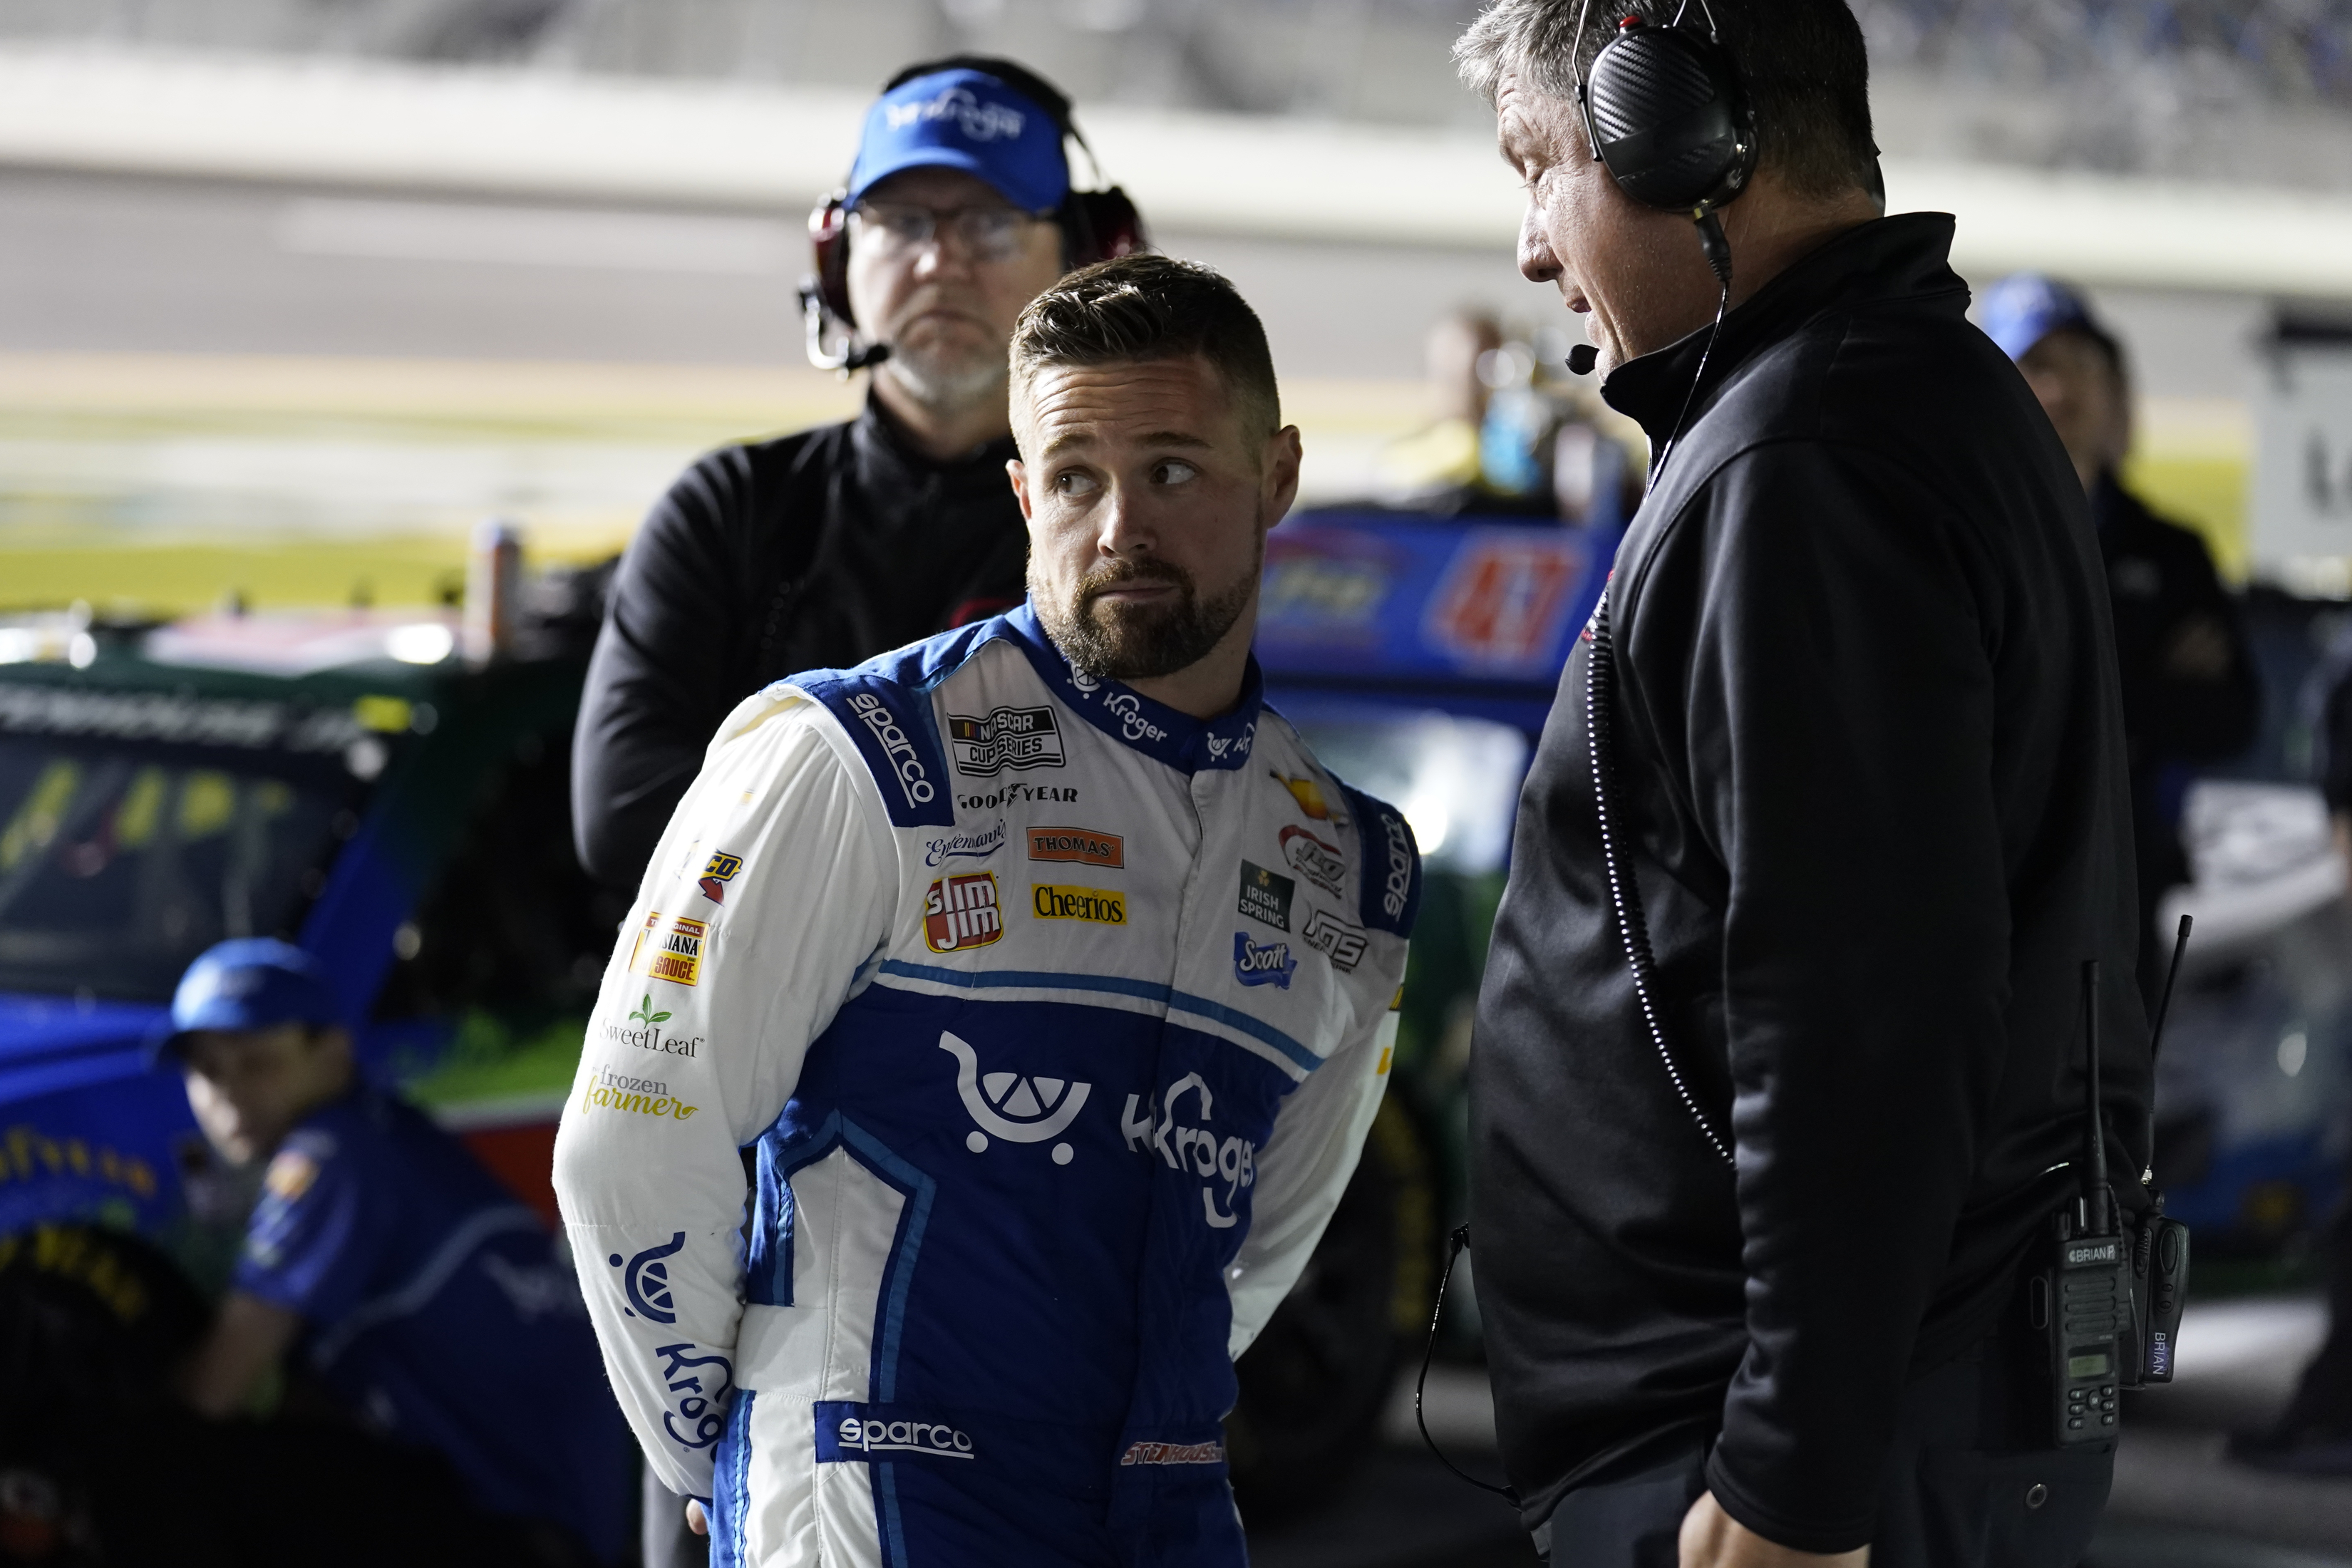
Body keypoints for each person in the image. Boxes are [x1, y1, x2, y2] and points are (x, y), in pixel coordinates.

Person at [553, 254, 1420, 1566]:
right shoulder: (858, 755)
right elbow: (628, 1140)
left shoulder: (1351, 863)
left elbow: (1260, 1241)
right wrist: (717, 1448)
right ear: (1022, 492)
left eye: (1174, 470)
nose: (1120, 526)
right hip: (876, 1500)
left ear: (1279, 477)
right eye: (1075, 477)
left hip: (1169, 1509)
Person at [1454, 2, 2148, 1564]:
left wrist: (1791, 1475)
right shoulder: (1895, 396)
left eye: (1538, 167)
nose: (1528, 246)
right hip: (1887, 1415)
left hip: (1785, 1463)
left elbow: (1863, 1004)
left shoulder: (1805, 458)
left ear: (1674, 142)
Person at [572, 55, 1142, 891]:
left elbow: (1132, 828)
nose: (941, 261)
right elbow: (625, 818)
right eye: (903, 221)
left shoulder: (1126, 536)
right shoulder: (729, 508)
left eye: (989, 223)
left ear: (1085, 260)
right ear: (840, 253)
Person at [164, 937, 632, 1564]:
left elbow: (214, 1392)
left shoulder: (332, 1156)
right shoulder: (376, 1129)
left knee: (185, 1472)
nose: (228, 1094)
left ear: (333, 1055)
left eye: (257, 1062)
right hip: (563, 1510)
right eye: (208, 1070)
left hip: (530, 1529)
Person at [1981, 272, 2261, 1001]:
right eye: (2037, 368)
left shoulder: (2172, 552)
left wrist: (2071, 686)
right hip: (1987, 892)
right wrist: (2142, 680)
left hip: (2129, 894)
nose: (2063, 392)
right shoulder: (1959, 537)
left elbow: (2234, 715)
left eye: (2082, 367)